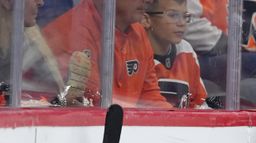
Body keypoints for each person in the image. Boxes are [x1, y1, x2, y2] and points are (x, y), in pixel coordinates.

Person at [43, 0, 171, 107]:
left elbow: (150, 97)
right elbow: (91, 106)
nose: (149, 0)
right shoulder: (72, 31)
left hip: (122, 129)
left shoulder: (138, 31)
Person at [0, 0, 87, 105]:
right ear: (6, 1)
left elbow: (58, 91)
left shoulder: (29, 34)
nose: (41, 3)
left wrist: (71, 87)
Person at [143, 0, 208, 108]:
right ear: (147, 19)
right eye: (173, 15)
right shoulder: (136, 54)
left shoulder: (186, 50)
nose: (181, 23)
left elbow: (199, 104)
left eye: (185, 16)